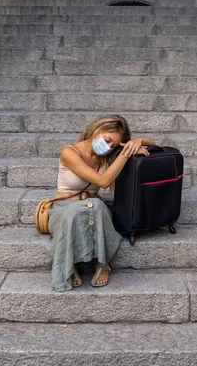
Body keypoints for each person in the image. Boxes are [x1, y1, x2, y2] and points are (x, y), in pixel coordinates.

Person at [48, 114, 155, 292]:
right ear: (97, 129)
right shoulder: (69, 152)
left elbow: (152, 141)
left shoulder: (108, 155)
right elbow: (103, 181)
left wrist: (137, 141)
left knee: (96, 206)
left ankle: (102, 264)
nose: (109, 147)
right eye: (107, 140)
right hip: (64, 207)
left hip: (92, 206)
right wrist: (126, 154)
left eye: (114, 145)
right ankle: (69, 264)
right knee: (78, 211)